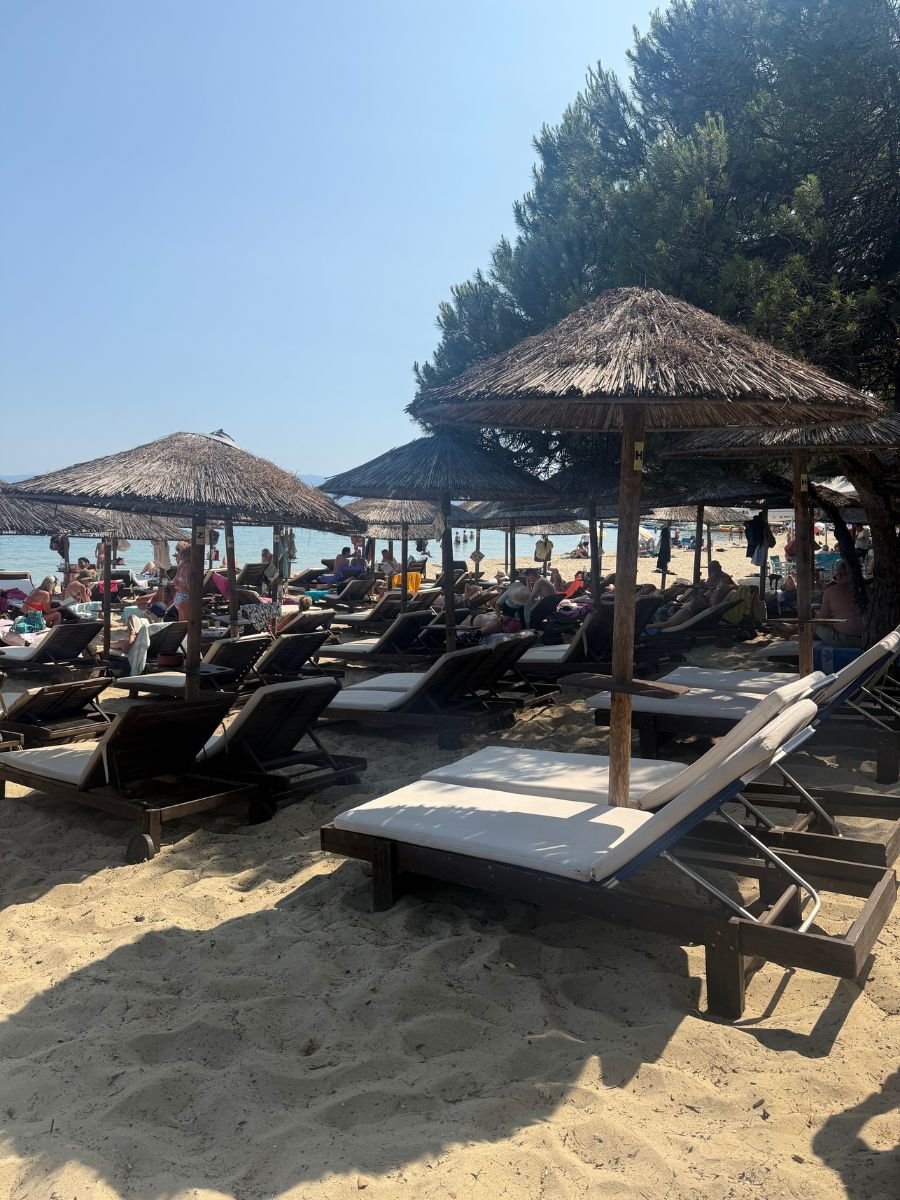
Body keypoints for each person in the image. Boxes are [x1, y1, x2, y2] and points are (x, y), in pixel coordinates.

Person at [815, 560, 864, 646]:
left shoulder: (831, 591)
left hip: (845, 639)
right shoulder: (868, 589)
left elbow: (822, 619)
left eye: (835, 577)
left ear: (840, 576)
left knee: (815, 626)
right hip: (869, 638)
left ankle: (794, 632)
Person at [172, 545, 192, 622]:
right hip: (187, 597)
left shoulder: (181, 565)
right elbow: (189, 584)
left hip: (179, 596)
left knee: (182, 623)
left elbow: (175, 582)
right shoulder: (189, 567)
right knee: (187, 625)